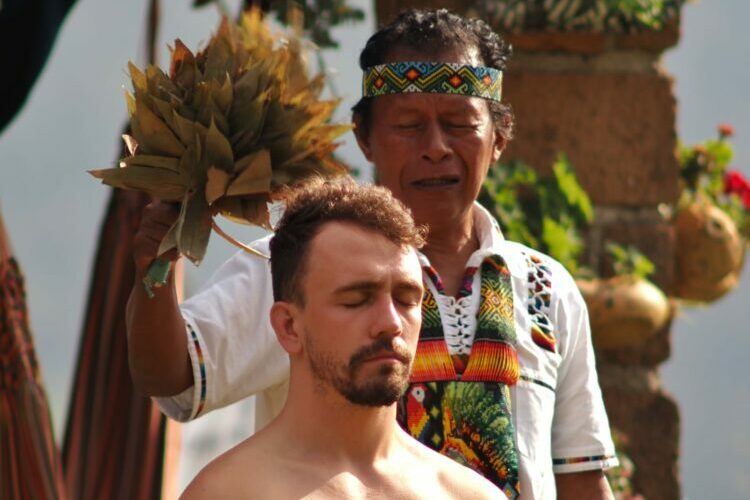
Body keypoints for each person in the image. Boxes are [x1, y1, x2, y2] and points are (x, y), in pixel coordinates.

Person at [127, 9, 617, 499]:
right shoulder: (294, 264)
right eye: (408, 125)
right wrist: (155, 269)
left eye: (459, 123)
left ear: (499, 138)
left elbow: (580, 475)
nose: (435, 148)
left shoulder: (545, 289)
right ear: (364, 137)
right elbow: (170, 375)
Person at [180, 179, 502, 499]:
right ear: (289, 327)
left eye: (406, 300)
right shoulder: (226, 493)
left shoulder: (470, 496)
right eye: (356, 300)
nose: (391, 323)